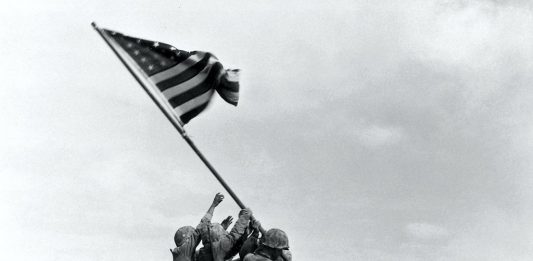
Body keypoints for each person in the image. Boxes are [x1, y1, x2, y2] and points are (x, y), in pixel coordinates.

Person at [170, 193, 225, 261]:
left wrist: (220, 230)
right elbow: (201, 227)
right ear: (186, 239)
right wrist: (213, 205)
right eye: (191, 236)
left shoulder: (183, 254)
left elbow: (205, 253)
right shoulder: (184, 250)